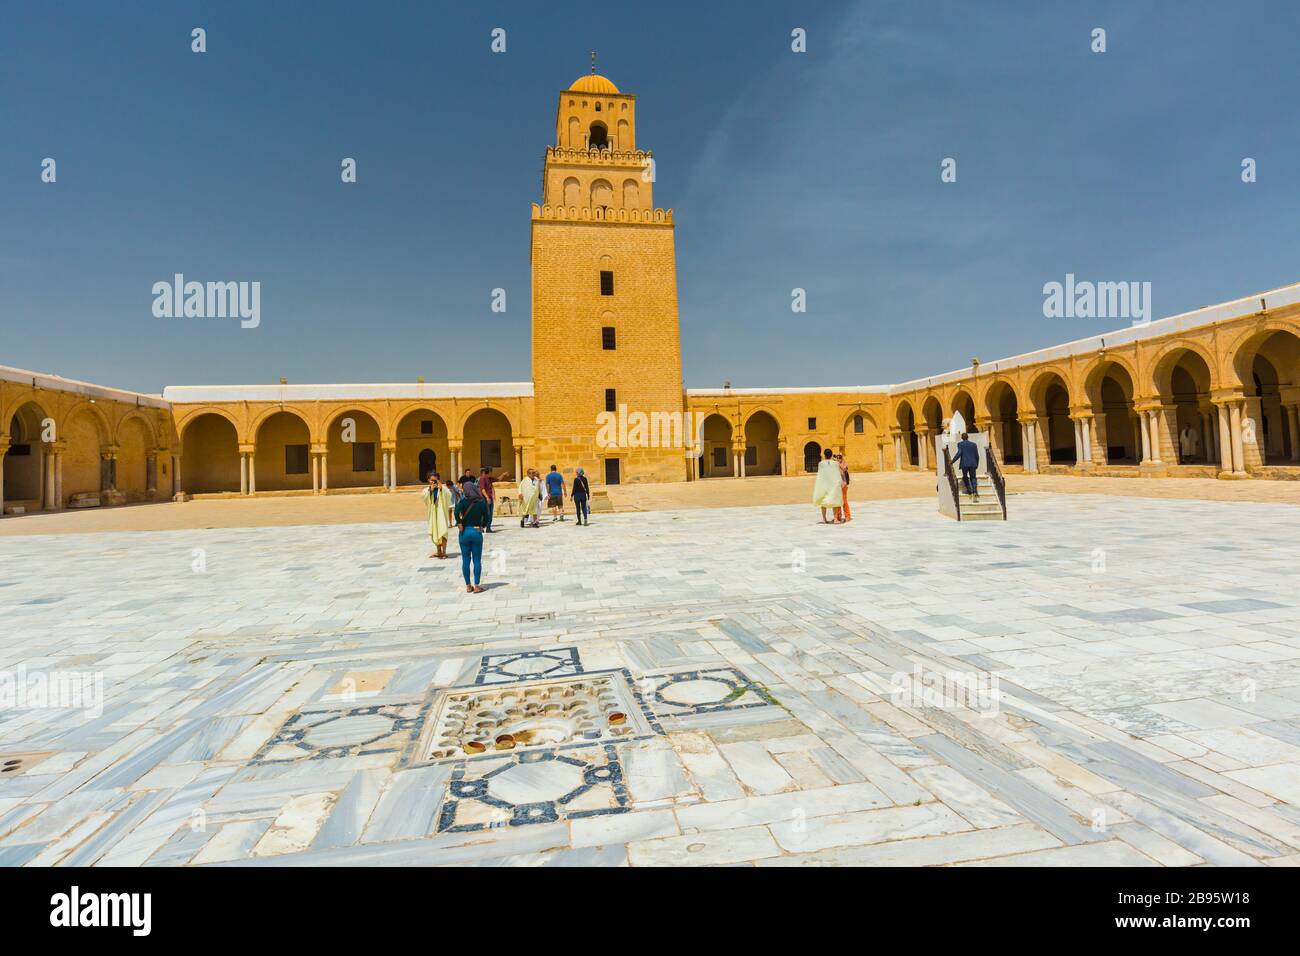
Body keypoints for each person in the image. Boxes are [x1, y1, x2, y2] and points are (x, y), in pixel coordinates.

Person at [454, 479, 490, 593]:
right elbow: (487, 517)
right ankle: (477, 585)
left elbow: (456, 511)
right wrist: (483, 526)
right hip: (476, 531)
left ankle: (468, 586)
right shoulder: (481, 502)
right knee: (477, 560)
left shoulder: (463, 502)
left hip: (464, 532)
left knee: (465, 560)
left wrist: (459, 522)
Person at [421, 472, 451, 559]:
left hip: (441, 514)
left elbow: (449, 496)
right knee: (435, 531)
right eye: (431, 480)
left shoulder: (443, 488)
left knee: (443, 531)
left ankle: (444, 552)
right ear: (428, 480)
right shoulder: (426, 490)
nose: (433, 482)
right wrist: (430, 490)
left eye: (435, 480)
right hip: (433, 515)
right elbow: (424, 498)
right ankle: (438, 551)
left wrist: (441, 489)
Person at [812, 448, 844, 523]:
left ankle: (824, 519)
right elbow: (837, 473)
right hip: (833, 484)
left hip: (824, 484)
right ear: (831, 454)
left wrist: (818, 484)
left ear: (824, 455)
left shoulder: (821, 463)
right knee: (834, 500)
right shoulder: (835, 463)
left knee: (823, 501)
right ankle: (835, 519)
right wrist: (840, 482)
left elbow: (820, 475)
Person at [955, 432, 979, 498]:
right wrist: (977, 464)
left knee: (965, 476)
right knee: (973, 477)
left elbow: (959, 454)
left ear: (962, 438)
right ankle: (975, 491)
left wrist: (952, 461)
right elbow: (977, 456)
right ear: (967, 437)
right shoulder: (974, 444)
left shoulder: (960, 444)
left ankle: (969, 490)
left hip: (964, 464)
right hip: (973, 463)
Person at [479, 467, 496, 532]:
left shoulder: (489, 479)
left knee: (490, 513)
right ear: (489, 472)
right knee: (485, 513)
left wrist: (503, 475)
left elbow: (496, 480)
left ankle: (488, 527)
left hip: (489, 498)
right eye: (491, 472)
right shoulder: (482, 478)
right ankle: (482, 527)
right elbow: (482, 489)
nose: (492, 473)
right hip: (484, 499)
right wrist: (487, 497)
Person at [835, 453, 852, 522]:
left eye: (840, 457)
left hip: (843, 485)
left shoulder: (844, 464)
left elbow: (843, 471)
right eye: (837, 457)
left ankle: (847, 516)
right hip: (837, 486)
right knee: (837, 502)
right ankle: (838, 516)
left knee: (844, 501)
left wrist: (839, 464)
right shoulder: (835, 465)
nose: (838, 458)